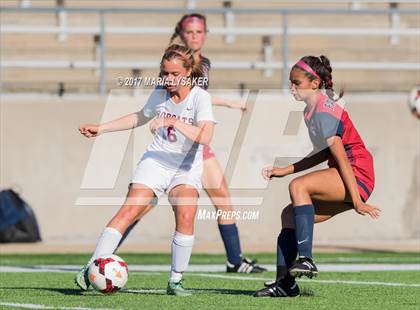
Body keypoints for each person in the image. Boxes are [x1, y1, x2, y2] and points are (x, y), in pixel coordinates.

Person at [117, 13, 266, 274]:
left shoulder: (204, 62)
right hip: (173, 147)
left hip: (196, 144)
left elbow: (199, 97)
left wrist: (228, 103)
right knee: (142, 206)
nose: (195, 36)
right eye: (189, 32)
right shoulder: (175, 60)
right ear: (181, 33)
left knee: (222, 197)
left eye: (199, 32)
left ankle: (235, 260)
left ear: (206, 34)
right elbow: (173, 95)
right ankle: (106, 253)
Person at [75, 44, 216, 296]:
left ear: (189, 72)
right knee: (130, 209)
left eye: (174, 74)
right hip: (156, 162)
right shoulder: (160, 93)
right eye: (164, 73)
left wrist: (173, 121)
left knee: (185, 215)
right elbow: (140, 117)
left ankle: (175, 281)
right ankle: (91, 267)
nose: (168, 79)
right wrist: (102, 128)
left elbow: (205, 136)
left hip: (185, 168)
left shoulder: (200, 98)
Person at [254, 55, 380, 297]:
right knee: (289, 214)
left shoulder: (323, 110)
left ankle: (307, 259)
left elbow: (341, 157)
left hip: (357, 172)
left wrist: (357, 201)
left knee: (298, 187)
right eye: (290, 82)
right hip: (348, 174)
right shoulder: (310, 111)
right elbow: (323, 153)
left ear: (314, 83)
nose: (291, 87)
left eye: (296, 82)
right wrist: (287, 168)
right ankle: (285, 284)